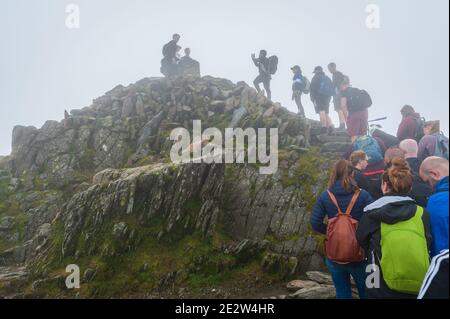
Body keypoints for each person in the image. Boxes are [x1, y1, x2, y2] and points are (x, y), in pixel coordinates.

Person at [357, 158, 432, 299]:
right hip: (416, 281)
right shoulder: (422, 213)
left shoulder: (371, 213)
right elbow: (428, 240)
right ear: (410, 187)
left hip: (377, 278)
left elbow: (361, 240)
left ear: (384, 186)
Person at [311, 160, 373, 299]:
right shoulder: (363, 196)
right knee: (366, 292)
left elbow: (315, 223)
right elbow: (374, 221)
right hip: (360, 255)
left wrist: (331, 231)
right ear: (352, 174)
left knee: (342, 293)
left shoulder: (325, 196)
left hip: (335, 254)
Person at [419, 156, 449, 257]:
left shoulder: (437, 201)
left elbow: (442, 249)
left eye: (427, 181)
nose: (430, 186)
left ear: (434, 174)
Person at [340, 76, 370, 143]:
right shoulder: (356, 90)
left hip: (353, 114)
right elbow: (365, 104)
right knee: (363, 136)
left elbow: (343, 105)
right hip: (364, 113)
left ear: (341, 84)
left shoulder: (344, 92)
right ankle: (363, 151)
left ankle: (355, 152)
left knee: (354, 136)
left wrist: (346, 118)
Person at [310, 66, 334, 135]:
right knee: (326, 112)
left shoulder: (316, 77)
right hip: (327, 97)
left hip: (319, 96)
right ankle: (330, 127)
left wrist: (312, 98)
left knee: (321, 111)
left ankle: (324, 128)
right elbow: (332, 88)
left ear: (316, 71)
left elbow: (312, 88)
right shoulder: (327, 78)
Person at [328, 63, 346, 130]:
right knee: (339, 109)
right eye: (329, 69)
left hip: (338, 94)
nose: (329, 70)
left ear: (334, 67)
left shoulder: (337, 74)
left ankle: (342, 125)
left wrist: (337, 93)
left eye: (330, 68)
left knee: (339, 109)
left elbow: (338, 85)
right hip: (340, 94)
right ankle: (342, 124)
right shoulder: (337, 74)